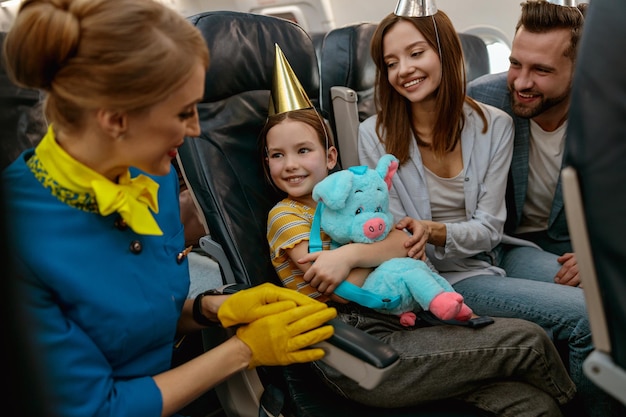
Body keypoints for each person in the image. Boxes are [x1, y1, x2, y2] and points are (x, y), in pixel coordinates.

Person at [1, 1, 338, 416]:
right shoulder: (19, 236)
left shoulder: (151, 175)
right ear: (115, 120)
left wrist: (212, 308)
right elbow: (94, 408)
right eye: (183, 112)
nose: (196, 129)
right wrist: (244, 350)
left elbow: (122, 317)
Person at [263, 43, 576, 417]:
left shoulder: (348, 197)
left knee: (533, 406)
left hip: (402, 321)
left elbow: (402, 241)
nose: (291, 165)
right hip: (353, 343)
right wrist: (383, 256)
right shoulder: (285, 215)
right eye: (277, 155)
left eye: (303, 150)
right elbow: (333, 283)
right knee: (529, 340)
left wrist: (353, 257)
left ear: (330, 157)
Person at [357, 5, 612, 417]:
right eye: (390, 62)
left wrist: (433, 230)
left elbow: (490, 229)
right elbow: (399, 237)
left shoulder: (492, 122)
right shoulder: (374, 135)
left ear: (446, 53)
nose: (404, 69)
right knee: (586, 316)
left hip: (500, 250)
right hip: (442, 273)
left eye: (416, 53)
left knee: (607, 299)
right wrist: (422, 235)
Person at [467, 1, 587, 286]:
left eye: (541, 70)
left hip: (574, 245)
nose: (521, 83)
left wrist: (602, 251)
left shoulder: (607, 113)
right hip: (507, 243)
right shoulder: (482, 102)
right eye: (515, 64)